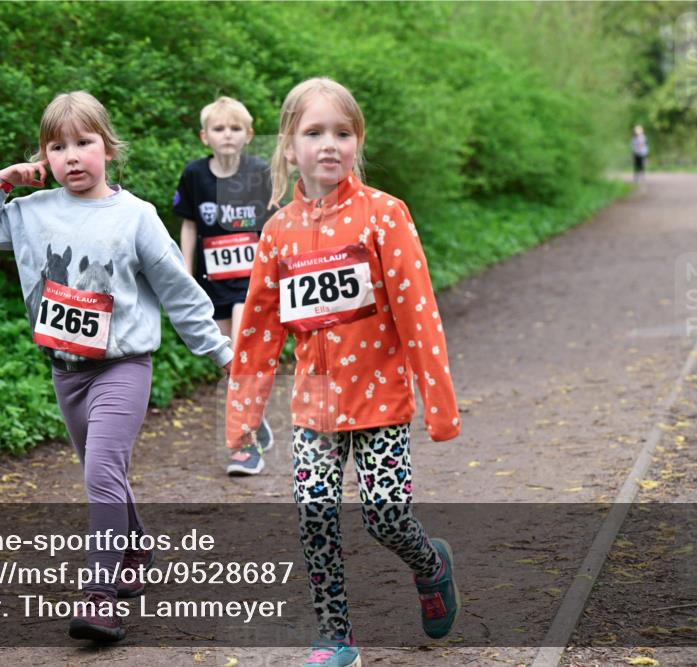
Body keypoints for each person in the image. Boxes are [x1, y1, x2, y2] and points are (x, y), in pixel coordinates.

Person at [0, 91, 233, 644]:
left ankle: (100, 596)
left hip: (122, 366)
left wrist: (222, 353)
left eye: (84, 143)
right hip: (66, 371)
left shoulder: (136, 217)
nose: (72, 156)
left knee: (100, 472)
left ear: (108, 148)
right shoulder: (31, 213)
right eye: (57, 147)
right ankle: (135, 548)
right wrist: (1, 183)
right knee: (104, 472)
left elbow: (178, 291)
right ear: (44, 157)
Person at [224, 78, 462, 666]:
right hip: (317, 407)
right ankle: (336, 638)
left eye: (342, 132)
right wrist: (243, 417)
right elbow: (258, 332)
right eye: (314, 133)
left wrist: (439, 405)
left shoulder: (384, 215)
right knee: (315, 517)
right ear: (288, 146)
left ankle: (431, 563)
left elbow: (418, 315)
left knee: (386, 518)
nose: (329, 144)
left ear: (358, 141)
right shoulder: (278, 232)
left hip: (381, 399)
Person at [174, 96, 276, 475]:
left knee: (242, 353)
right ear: (205, 137)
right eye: (219, 129)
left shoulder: (259, 172)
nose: (227, 135)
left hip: (252, 280)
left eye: (235, 128)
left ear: (248, 134)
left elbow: (275, 223)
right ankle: (254, 418)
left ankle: (245, 446)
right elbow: (189, 225)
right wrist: (185, 275)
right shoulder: (195, 175)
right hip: (211, 281)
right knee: (227, 360)